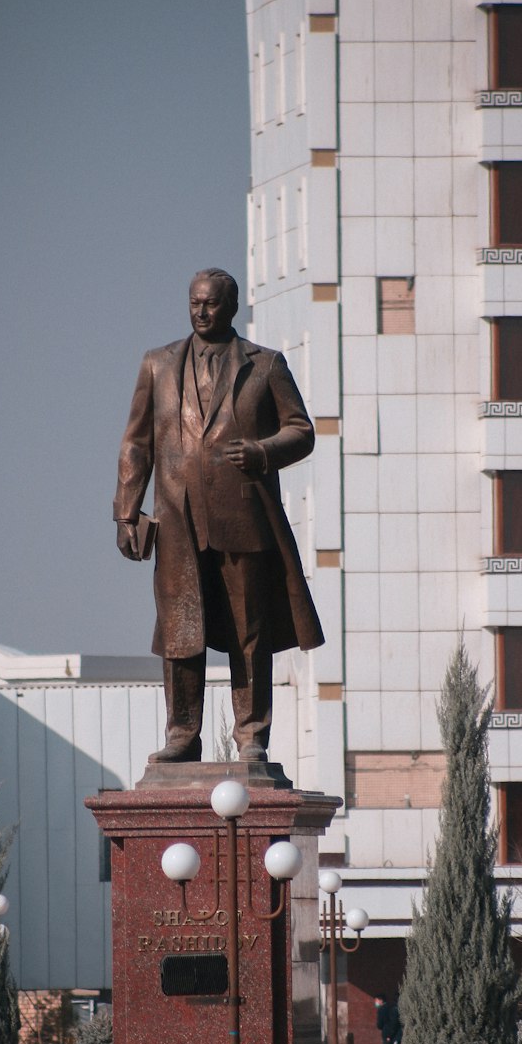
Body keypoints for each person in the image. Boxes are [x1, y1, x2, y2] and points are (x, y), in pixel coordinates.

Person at [114, 268, 323, 763]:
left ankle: (251, 735)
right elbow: (136, 443)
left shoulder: (265, 365)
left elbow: (302, 430)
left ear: (230, 308)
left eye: (210, 304)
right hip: (177, 522)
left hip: (242, 520)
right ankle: (182, 734)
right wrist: (126, 512)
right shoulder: (157, 365)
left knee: (249, 633)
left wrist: (263, 451)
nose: (200, 312)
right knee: (180, 631)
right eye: (194, 303)